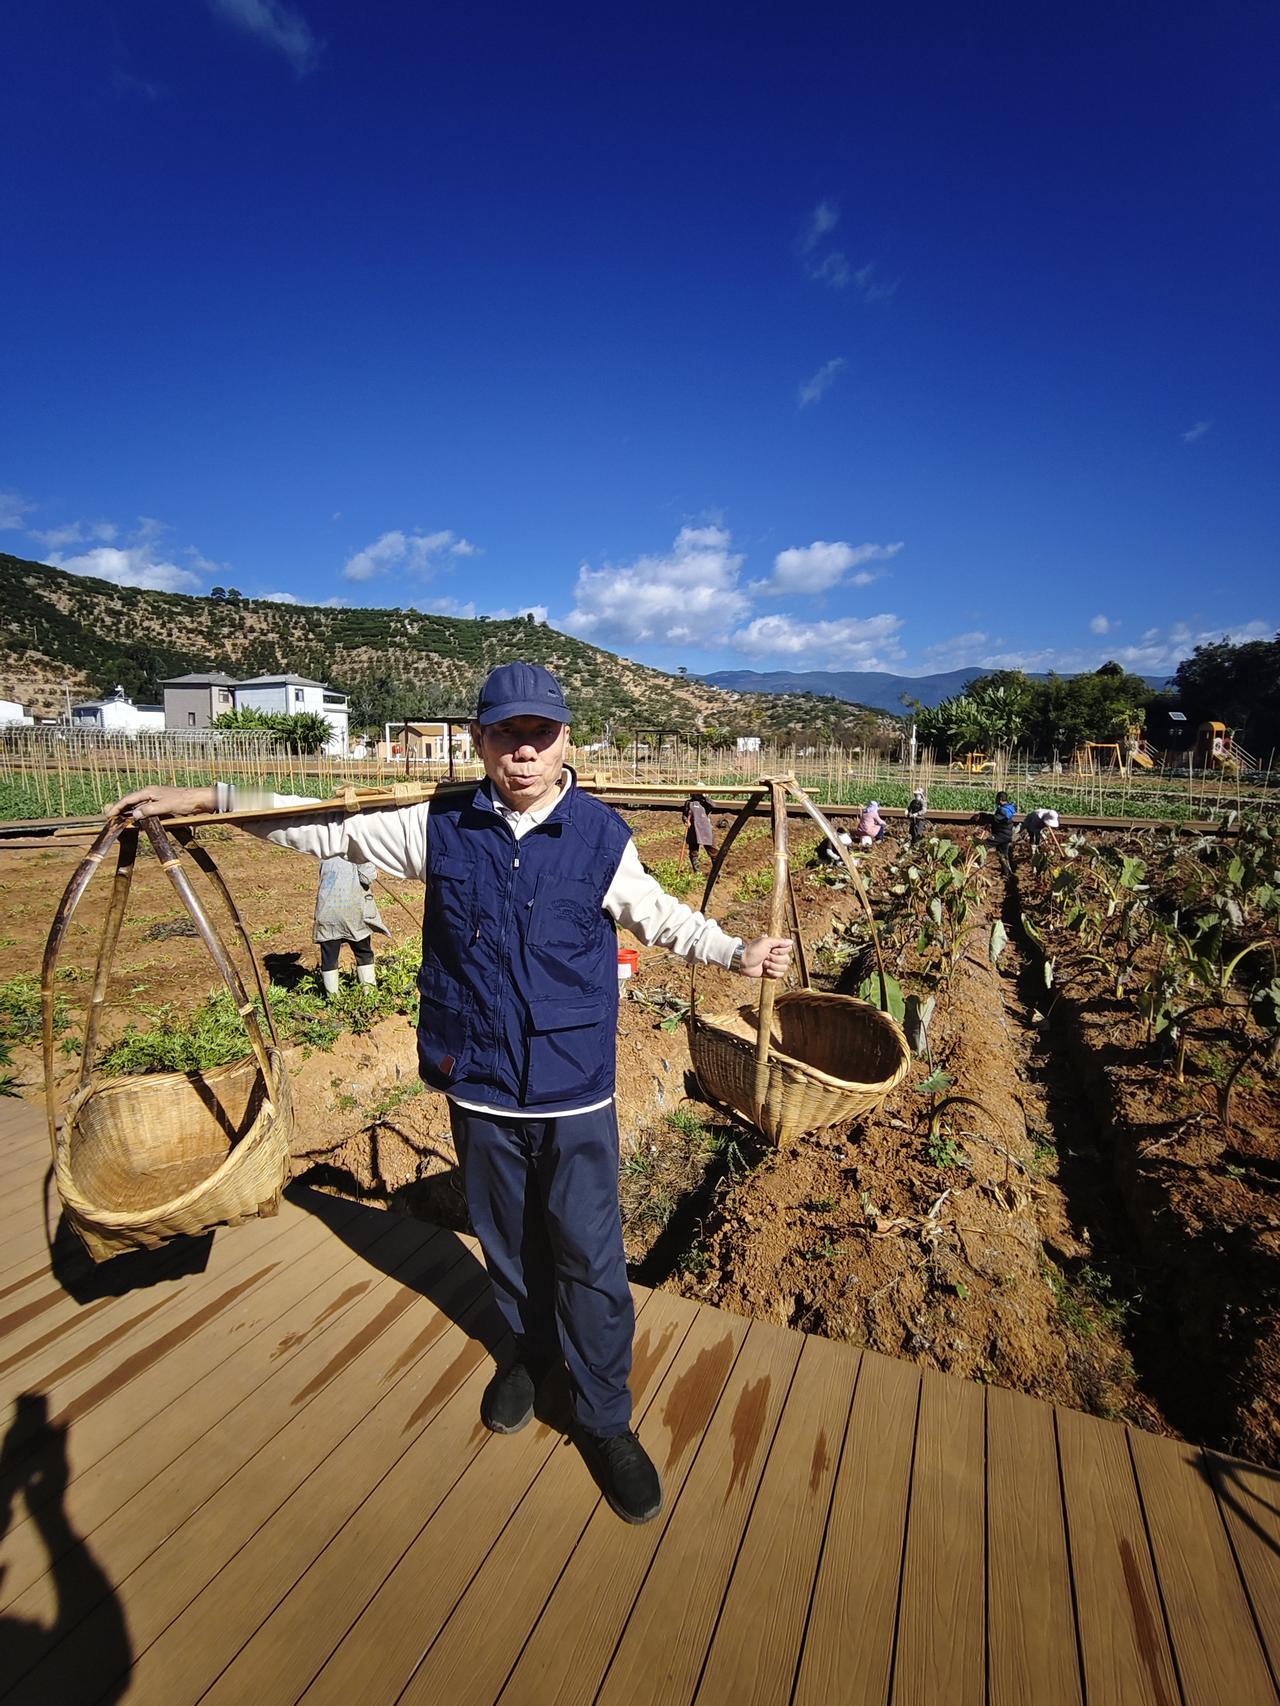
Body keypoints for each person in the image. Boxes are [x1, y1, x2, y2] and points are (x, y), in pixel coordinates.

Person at [108, 660, 793, 1526]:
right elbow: (327, 830)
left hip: (570, 1088)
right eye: (507, 734)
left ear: (565, 741)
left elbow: (661, 916)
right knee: (505, 1241)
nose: (525, 751)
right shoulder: (441, 826)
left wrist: (737, 954)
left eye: (540, 734)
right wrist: (208, 800)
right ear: (480, 741)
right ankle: (529, 1350)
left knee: (586, 1252)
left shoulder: (598, 836)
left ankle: (606, 1416)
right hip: (479, 1082)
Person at [314, 854, 389, 996]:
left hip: (327, 910)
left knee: (329, 957)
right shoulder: (358, 850)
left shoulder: (326, 850)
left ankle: (333, 999)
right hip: (352, 911)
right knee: (363, 952)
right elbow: (367, 877)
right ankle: (369, 996)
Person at [681, 792, 717, 873]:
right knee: (693, 852)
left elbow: (713, 805)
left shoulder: (706, 803)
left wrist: (705, 797)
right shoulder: (689, 803)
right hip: (693, 829)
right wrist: (686, 821)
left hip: (705, 829)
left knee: (713, 851)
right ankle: (697, 872)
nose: (697, 794)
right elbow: (684, 815)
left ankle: (717, 871)